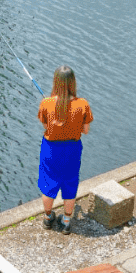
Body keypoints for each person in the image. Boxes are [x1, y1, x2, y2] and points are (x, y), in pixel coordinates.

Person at [37, 65, 92, 233]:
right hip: (72, 149)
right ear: (72, 83)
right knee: (70, 181)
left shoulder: (46, 103)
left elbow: (46, 125)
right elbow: (85, 130)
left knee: (49, 182)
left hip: (51, 149)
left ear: (55, 82)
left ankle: (48, 218)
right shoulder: (82, 104)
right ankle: (67, 220)